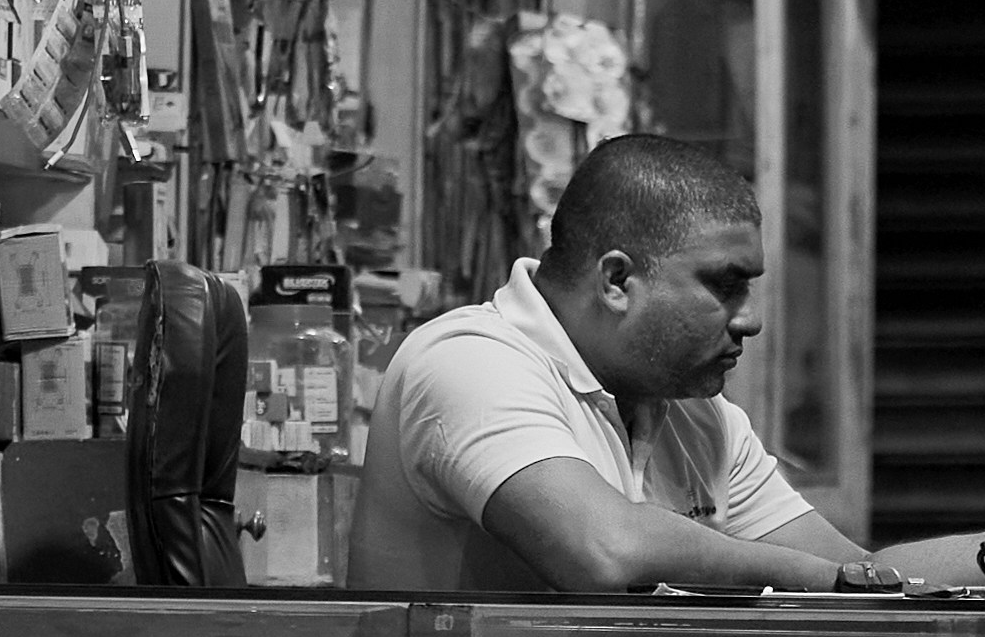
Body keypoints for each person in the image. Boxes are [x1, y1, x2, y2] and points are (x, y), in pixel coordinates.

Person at [347, 133, 908, 597]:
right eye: (725, 284)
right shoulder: (469, 359)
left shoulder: (699, 416)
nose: (750, 321)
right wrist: (808, 576)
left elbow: (860, 574)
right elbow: (603, 550)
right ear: (616, 281)